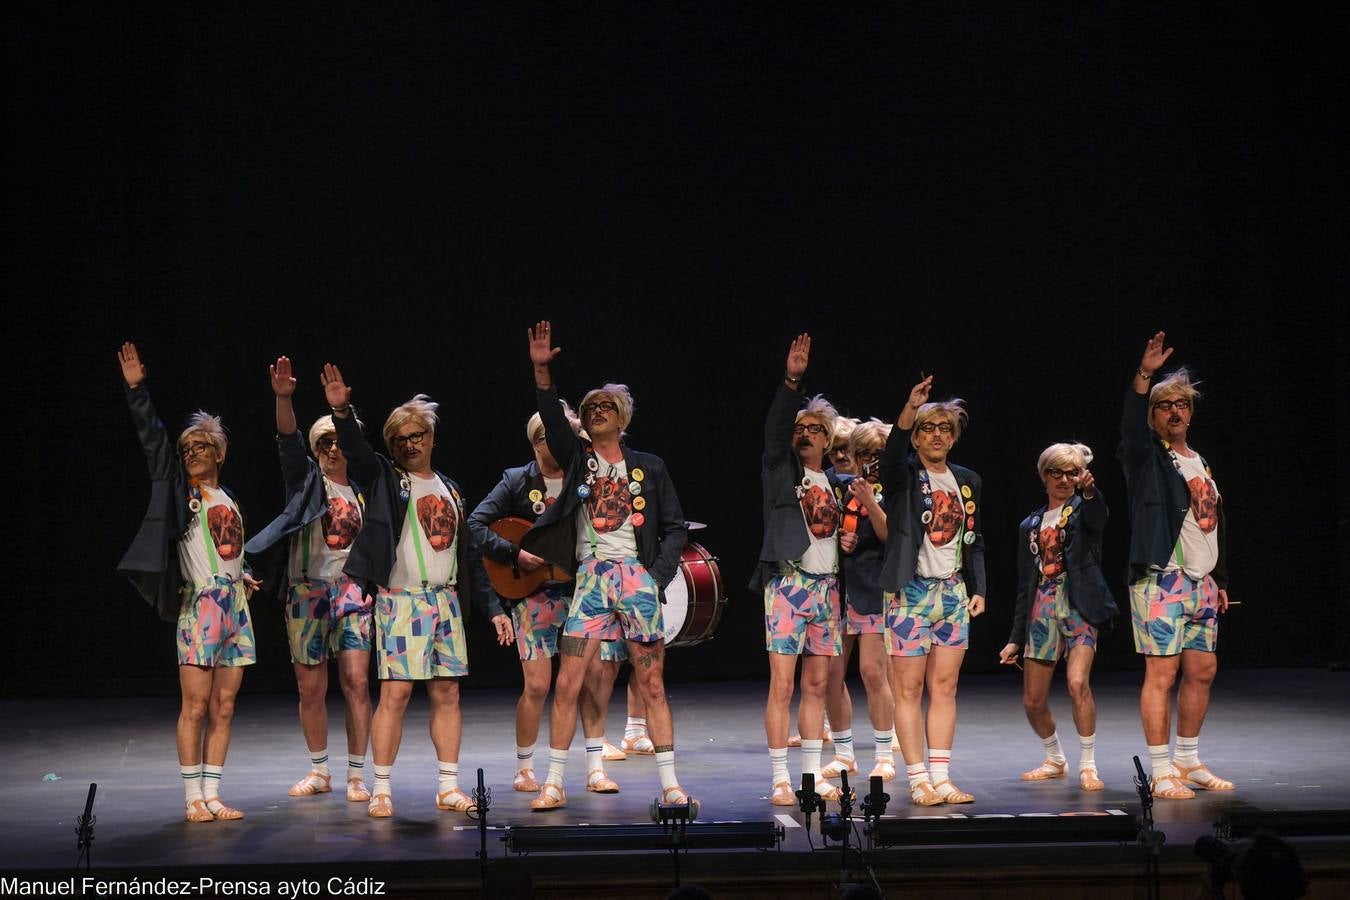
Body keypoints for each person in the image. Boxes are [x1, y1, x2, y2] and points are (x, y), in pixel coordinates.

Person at [322, 364, 513, 818]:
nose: (411, 443)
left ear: (430, 437)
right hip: (401, 602)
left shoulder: (451, 489)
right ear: (392, 445)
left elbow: (469, 559)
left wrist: (494, 609)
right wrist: (342, 412)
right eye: (401, 438)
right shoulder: (388, 480)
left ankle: (448, 786)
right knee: (396, 695)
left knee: (448, 693)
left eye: (418, 435)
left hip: (445, 601)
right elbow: (359, 454)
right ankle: (382, 787)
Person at [519, 321, 694, 812]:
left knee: (652, 682)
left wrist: (654, 576)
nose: (596, 412)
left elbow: (676, 527)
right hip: (592, 578)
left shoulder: (649, 466)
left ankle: (670, 785)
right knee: (569, 681)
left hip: (635, 578)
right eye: (590, 407)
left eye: (605, 408)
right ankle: (554, 781)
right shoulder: (578, 460)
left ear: (622, 419)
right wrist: (542, 374)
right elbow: (554, 423)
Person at [116, 342, 258, 823]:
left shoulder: (229, 497)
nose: (193, 454)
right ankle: (191, 797)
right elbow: (154, 444)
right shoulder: (179, 491)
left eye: (201, 447)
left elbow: (228, 551)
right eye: (187, 449)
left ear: (219, 451)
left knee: (224, 704)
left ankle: (214, 794)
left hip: (236, 606)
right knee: (195, 705)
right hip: (200, 608)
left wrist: (245, 577)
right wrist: (138, 391)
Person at [468, 404, 621, 794]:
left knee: (591, 680)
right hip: (533, 596)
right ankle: (524, 767)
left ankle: (594, 767)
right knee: (537, 685)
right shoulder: (518, 480)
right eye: (545, 437)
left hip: (579, 593)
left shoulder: (583, 478)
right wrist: (513, 553)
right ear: (535, 442)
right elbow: (475, 524)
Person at [245, 356, 374, 802]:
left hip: (351, 595)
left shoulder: (362, 491)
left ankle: (358, 774)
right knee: (311, 686)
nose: (333, 449)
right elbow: (286, 440)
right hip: (307, 592)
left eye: (339, 442)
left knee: (357, 683)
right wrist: (284, 399)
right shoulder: (305, 483)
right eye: (324, 444)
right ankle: (320, 771)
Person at [1119, 332, 1232, 800]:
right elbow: (1129, 429)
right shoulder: (1148, 457)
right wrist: (1144, 376)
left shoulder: (1198, 460)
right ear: (1154, 414)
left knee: (1202, 669)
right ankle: (1162, 770)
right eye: (1165, 405)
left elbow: (1211, 523)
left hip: (1202, 583)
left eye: (1182, 404)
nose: (1175, 412)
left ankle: (1188, 759)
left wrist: (1220, 579)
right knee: (1161, 675)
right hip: (1161, 580)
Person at [751, 334, 857, 806]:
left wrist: (845, 541)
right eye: (801, 426)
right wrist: (791, 381)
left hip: (828, 590)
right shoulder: (780, 470)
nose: (805, 432)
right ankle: (779, 777)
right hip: (789, 585)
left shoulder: (835, 484)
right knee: (784, 684)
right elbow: (776, 428)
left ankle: (812, 775)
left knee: (817, 685)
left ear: (829, 437)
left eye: (815, 428)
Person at [878, 375, 986, 806]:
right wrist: (909, 409)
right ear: (917, 438)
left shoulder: (967, 480)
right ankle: (918, 778)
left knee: (945, 686)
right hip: (910, 592)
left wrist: (978, 587)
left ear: (954, 437)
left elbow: (975, 537)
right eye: (928, 428)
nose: (937, 435)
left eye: (945, 429)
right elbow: (890, 453)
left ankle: (941, 777)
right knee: (908, 689)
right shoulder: (904, 474)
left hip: (953, 593)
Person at [999, 442, 1118, 791]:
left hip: (1078, 604)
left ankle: (1088, 764)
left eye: (1072, 473)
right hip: (1042, 606)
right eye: (1057, 472)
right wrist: (1014, 638)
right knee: (1032, 700)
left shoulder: (1084, 510)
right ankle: (1055, 758)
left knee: (1078, 682)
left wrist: (1091, 492)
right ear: (1044, 475)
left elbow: (1100, 517)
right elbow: (1025, 583)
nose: (1064, 479)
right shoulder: (1030, 525)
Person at [820, 419, 897, 782]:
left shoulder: (896, 488)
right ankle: (844, 753)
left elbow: (890, 536)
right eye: (864, 453)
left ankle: (884, 754)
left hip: (874, 589)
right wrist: (841, 540)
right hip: (839, 590)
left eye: (877, 453)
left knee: (872, 671)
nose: (871, 460)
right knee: (831, 675)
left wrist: (869, 499)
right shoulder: (838, 486)